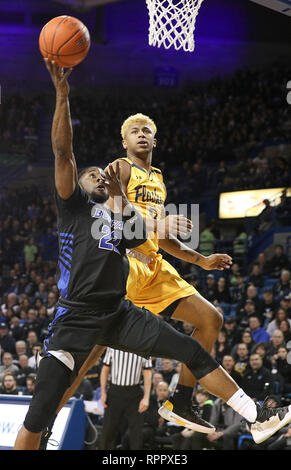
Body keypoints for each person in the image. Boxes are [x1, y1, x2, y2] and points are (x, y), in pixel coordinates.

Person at [14, 60, 291, 450]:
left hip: (125, 299)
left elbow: (140, 231)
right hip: (86, 306)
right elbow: (63, 153)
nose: (98, 174)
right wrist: (62, 95)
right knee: (69, 380)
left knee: (203, 329)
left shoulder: (136, 196)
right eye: (90, 174)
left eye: (148, 131)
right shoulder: (83, 203)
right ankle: (45, 427)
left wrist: (197, 258)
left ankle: (224, 409)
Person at [99, 348, 152, 450]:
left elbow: (147, 372)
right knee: (108, 430)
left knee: (136, 432)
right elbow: (105, 369)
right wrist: (103, 392)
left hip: (135, 394)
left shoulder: (144, 347)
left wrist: (146, 397)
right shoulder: (113, 346)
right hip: (115, 392)